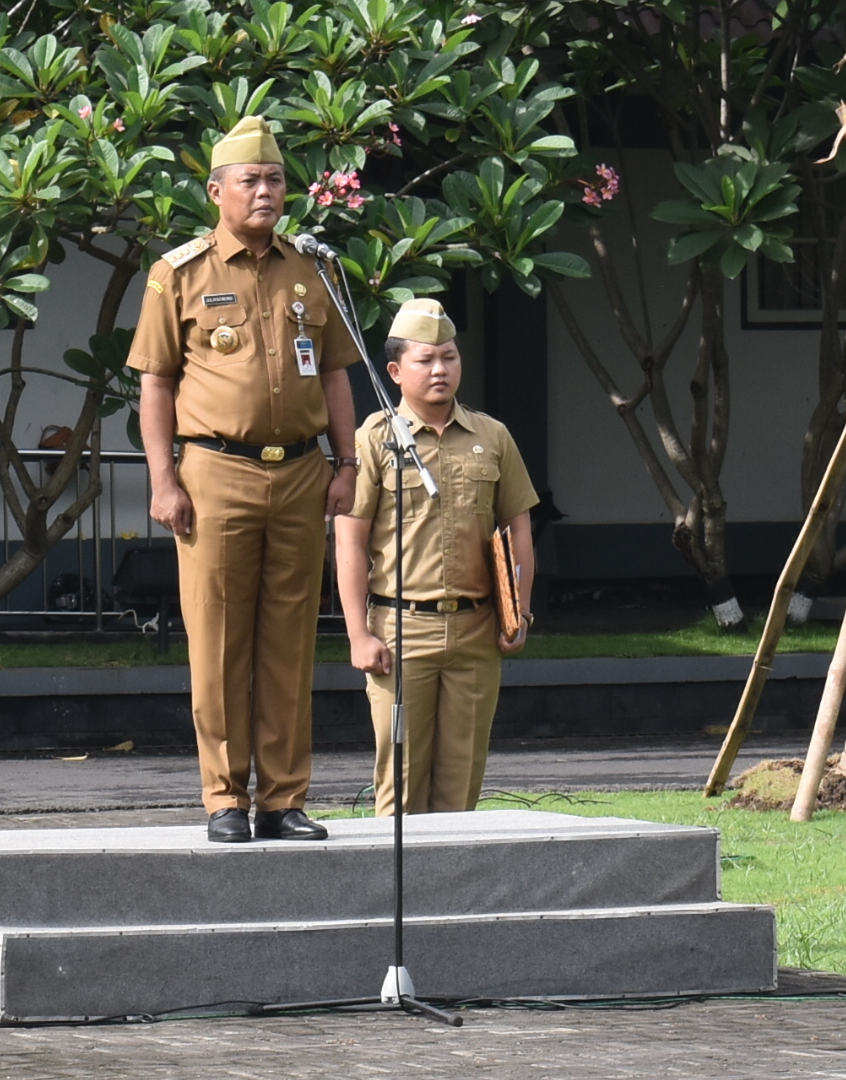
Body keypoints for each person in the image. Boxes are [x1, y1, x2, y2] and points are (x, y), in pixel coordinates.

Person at [129, 115, 362, 843]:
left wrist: (348, 463)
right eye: (251, 181)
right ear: (216, 190)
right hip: (214, 474)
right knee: (220, 641)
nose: (266, 192)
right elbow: (156, 385)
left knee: (290, 642)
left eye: (275, 180)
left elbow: (334, 374)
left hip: (299, 472)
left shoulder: (311, 268)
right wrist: (164, 480)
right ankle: (226, 798)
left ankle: (284, 798)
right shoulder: (180, 272)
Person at [335, 299, 539, 815]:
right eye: (426, 360)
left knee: (461, 782)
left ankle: (452, 894)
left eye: (449, 357)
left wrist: (519, 613)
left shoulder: (492, 437)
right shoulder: (375, 439)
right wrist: (359, 634)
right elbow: (350, 540)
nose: (441, 370)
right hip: (400, 634)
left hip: (476, 631)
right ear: (397, 371)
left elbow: (518, 530)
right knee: (400, 783)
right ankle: (396, 893)